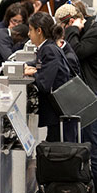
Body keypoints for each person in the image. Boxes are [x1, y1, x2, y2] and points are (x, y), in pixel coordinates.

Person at [60, 3, 97, 193]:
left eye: (65, 25)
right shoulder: (90, 31)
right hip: (88, 95)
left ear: (73, 19)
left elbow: (76, 52)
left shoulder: (96, 33)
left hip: (94, 96)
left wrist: (72, 30)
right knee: (90, 148)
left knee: (96, 150)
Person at [23, 12, 74, 143]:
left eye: (31, 30)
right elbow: (43, 66)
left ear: (39, 30)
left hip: (59, 111)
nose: (29, 34)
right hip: (59, 111)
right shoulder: (48, 47)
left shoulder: (48, 50)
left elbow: (44, 84)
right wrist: (32, 67)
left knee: (58, 149)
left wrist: (34, 73)